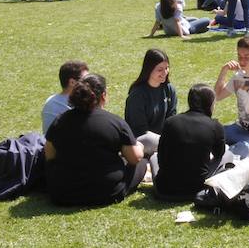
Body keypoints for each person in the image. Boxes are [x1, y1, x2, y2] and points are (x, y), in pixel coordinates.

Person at [44, 74, 147, 206]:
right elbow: (135, 158)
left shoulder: (60, 121)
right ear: (103, 96)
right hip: (107, 192)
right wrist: (140, 147)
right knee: (142, 162)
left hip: (63, 193)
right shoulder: (114, 122)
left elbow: (49, 155)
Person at [153, 84, 226, 200]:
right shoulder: (215, 126)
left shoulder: (170, 122)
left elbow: (161, 157)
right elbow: (219, 154)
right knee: (228, 155)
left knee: (153, 157)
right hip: (197, 189)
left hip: (165, 189)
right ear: (210, 103)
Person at [124, 49, 178, 156]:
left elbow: (171, 119)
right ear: (149, 69)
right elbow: (140, 130)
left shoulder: (169, 89)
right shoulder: (137, 94)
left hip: (162, 140)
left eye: (167, 68)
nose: (165, 73)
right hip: (142, 140)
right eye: (160, 69)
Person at [42, 61, 89, 134]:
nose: (89, 83)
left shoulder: (50, 100)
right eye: (85, 80)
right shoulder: (77, 105)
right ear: (72, 82)